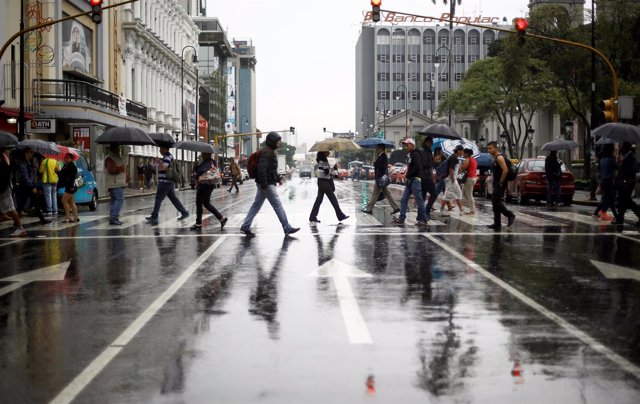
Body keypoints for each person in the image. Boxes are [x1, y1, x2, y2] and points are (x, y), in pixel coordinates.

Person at [240, 132, 299, 237]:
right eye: (278, 140)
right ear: (272, 141)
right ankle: (286, 227)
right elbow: (262, 169)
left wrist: (278, 179)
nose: (280, 142)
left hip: (265, 183)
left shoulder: (269, 151)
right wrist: (264, 184)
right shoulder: (267, 152)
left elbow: (270, 170)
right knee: (277, 205)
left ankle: (245, 225)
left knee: (256, 205)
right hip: (266, 184)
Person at [146, 145, 190, 226]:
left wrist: (159, 162)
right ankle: (184, 212)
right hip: (167, 182)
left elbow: (164, 168)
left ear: (164, 148)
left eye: (160, 148)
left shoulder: (168, 157)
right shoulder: (165, 157)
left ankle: (154, 216)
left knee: (158, 198)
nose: (159, 150)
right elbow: (157, 169)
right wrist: (156, 163)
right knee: (173, 199)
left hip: (165, 182)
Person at [392, 139, 427, 226]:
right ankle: (402, 217)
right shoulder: (411, 155)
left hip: (415, 180)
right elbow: (411, 167)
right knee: (404, 199)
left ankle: (423, 219)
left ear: (412, 145)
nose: (406, 147)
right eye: (405, 145)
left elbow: (417, 167)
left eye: (407, 145)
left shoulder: (416, 154)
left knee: (419, 200)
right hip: (410, 180)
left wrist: (408, 175)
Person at [309, 151, 349, 224]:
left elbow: (326, 173)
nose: (329, 152)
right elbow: (327, 172)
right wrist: (334, 168)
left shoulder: (321, 161)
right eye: (327, 151)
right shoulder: (324, 161)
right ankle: (340, 215)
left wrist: (336, 175)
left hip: (321, 182)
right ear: (324, 153)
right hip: (325, 183)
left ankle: (312, 216)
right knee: (333, 199)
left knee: (318, 200)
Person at [191, 152, 228, 231]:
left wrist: (197, 170)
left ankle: (198, 224)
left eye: (203, 154)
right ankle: (221, 219)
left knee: (199, 203)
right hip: (209, 185)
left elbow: (202, 171)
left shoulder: (207, 162)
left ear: (207, 154)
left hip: (204, 185)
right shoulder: (211, 162)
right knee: (206, 203)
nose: (202, 155)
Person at [361, 144, 400, 215]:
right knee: (387, 194)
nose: (376, 150)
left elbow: (382, 166)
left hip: (380, 178)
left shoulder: (383, 156)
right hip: (380, 178)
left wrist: (376, 163)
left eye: (377, 148)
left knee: (375, 194)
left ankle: (369, 209)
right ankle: (395, 207)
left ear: (381, 148)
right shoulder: (380, 156)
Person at [16, 147, 49, 225]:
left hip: (28, 186)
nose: (32, 154)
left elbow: (29, 175)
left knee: (33, 202)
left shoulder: (29, 162)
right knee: (22, 204)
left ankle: (42, 220)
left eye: (32, 152)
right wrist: (32, 187)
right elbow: (25, 176)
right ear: (26, 153)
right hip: (26, 187)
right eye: (31, 152)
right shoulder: (23, 162)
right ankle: (15, 222)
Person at [487, 141, 516, 229]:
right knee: (495, 202)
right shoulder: (495, 158)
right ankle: (497, 223)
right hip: (497, 182)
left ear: (496, 148)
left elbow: (505, 170)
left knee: (496, 201)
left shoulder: (499, 157)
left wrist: (501, 181)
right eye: (488, 148)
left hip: (500, 183)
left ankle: (509, 215)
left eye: (490, 148)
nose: (489, 150)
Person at [1, 147, 28, 236]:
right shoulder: (5, 158)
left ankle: (20, 228)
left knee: (11, 208)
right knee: (10, 208)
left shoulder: (4, 159)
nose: (8, 152)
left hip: (4, 187)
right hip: (6, 186)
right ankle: (19, 227)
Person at [612, 142, 640, 227]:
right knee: (622, 201)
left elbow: (631, 170)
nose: (621, 150)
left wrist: (621, 167)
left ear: (626, 148)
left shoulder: (631, 158)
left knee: (627, 201)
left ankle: (620, 218)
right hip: (624, 183)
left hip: (627, 183)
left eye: (622, 148)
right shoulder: (626, 157)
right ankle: (620, 219)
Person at [592, 144, 617, 221]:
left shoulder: (602, 159)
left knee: (610, 199)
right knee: (607, 199)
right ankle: (595, 213)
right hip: (609, 181)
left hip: (603, 181)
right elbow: (617, 168)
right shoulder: (612, 160)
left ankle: (617, 216)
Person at [105, 144, 128, 225]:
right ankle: (114, 217)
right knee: (119, 200)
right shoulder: (110, 158)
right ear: (113, 149)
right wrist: (121, 168)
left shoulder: (117, 157)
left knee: (115, 201)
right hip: (115, 184)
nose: (119, 150)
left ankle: (113, 217)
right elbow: (111, 169)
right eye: (118, 148)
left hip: (118, 183)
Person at [440, 145, 465, 216]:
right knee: (448, 194)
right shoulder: (453, 158)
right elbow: (451, 170)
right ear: (459, 151)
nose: (463, 153)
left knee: (458, 193)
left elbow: (455, 169)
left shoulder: (454, 158)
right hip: (451, 179)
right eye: (462, 151)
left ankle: (461, 210)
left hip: (452, 178)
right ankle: (442, 210)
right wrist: (453, 180)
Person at [59, 153, 79, 223]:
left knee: (64, 201)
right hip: (68, 186)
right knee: (71, 203)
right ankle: (76, 217)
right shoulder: (66, 165)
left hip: (70, 186)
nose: (66, 159)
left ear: (71, 159)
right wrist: (57, 171)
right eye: (65, 157)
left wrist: (71, 186)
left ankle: (68, 218)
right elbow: (62, 174)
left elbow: (71, 178)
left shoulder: (72, 166)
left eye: (68, 158)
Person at [420, 137, 437, 219]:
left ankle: (422, 214)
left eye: (432, 143)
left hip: (425, 176)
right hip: (425, 176)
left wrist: (433, 160)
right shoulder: (424, 151)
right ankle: (426, 211)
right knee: (434, 193)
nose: (431, 145)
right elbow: (424, 164)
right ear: (426, 142)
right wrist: (432, 160)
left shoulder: (427, 151)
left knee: (423, 196)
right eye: (430, 143)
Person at [460, 148, 478, 214]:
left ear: (467, 153)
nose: (463, 155)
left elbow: (463, 168)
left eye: (464, 153)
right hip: (473, 178)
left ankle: (472, 209)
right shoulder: (474, 159)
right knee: (464, 193)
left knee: (469, 195)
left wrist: (460, 166)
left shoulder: (468, 159)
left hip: (469, 178)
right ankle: (472, 207)